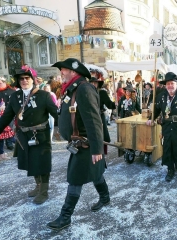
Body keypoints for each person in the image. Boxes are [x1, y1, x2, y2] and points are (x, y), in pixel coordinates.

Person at [47, 58, 110, 231]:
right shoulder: (72, 89)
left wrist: (97, 148)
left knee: (75, 179)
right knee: (96, 173)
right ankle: (105, 198)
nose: (61, 73)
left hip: (86, 144)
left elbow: (94, 120)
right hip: (78, 143)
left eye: (63, 70)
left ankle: (65, 217)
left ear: (74, 71)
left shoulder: (84, 88)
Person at [0, 69, 58, 204]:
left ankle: (44, 191)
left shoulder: (43, 95)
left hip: (40, 135)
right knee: (31, 162)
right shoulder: (15, 96)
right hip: (24, 135)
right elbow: (7, 116)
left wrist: (68, 130)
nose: (24, 81)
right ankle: (38, 186)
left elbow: (55, 113)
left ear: (32, 79)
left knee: (42, 163)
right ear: (18, 81)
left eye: (27, 78)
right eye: (21, 79)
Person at [0, 76, 15, 150]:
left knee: (9, 128)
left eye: (0, 83)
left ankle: (9, 143)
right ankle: (0, 145)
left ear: (4, 83)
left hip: (9, 113)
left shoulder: (11, 90)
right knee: (0, 128)